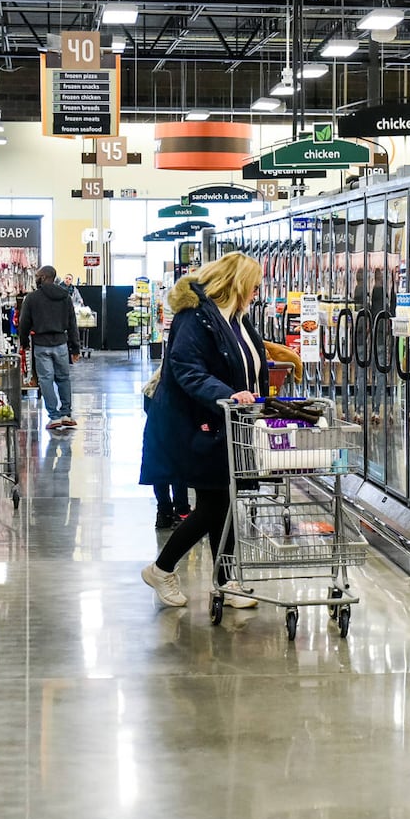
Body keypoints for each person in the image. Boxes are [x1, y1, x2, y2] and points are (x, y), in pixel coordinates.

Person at [139, 252, 267, 608]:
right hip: (199, 423)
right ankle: (163, 569)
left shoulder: (234, 319)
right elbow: (187, 369)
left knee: (220, 502)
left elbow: (240, 360)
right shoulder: (195, 318)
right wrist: (228, 395)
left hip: (227, 422)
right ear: (236, 283)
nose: (257, 292)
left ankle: (224, 582)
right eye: (254, 285)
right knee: (214, 504)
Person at [18, 265, 80, 431]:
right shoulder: (65, 297)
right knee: (64, 378)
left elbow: (24, 324)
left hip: (41, 344)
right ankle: (66, 414)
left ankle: (54, 417)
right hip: (61, 343)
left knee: (46, 380)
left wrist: (23, 342)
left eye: (38, 276)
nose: (36, 278)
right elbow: (72, 324)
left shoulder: (32, 298)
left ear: (44, 277)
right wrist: (75, 349)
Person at [141, 366, 190, 529]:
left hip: (156, 419)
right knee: (179, 466)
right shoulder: (186, 367)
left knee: (158, 466)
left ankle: (164, 511)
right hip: (177, 418)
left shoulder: (161, 372)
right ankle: (182, 511)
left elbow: (146, 400)